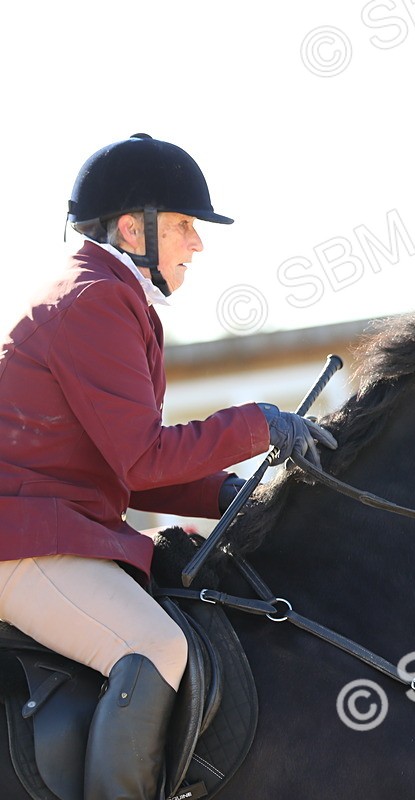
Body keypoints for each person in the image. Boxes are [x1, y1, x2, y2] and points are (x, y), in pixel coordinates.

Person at [0, 134, 336, 800]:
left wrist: (232, 494)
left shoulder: (102, 292)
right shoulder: (93, 300)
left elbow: (127, 466)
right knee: (155, 646)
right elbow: (143, 455)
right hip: (26, 544)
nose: (197, 244)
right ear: (133, 228)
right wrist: (256, 423)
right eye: (184, 226)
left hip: (57, 532)